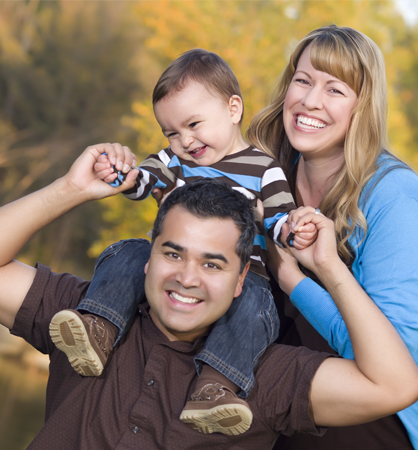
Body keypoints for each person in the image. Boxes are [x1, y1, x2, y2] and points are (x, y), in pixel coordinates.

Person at [0, 144, 418, 449]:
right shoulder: (87, 321)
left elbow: (395, 386)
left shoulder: (265, 376)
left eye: (213, 264)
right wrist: (70, 189)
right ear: (148, 257)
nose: (187, 277)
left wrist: (328, 268)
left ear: (241, 283)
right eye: (173, 253)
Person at [47, 49, 316, 435]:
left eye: (193, 124)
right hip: (172, 267)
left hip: (244, 276)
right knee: (129, 252)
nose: (185, 141)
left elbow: (279, 224)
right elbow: (142, 182)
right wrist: (120, 173)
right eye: (171, 132)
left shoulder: (264, 169)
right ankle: (98, 327)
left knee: (257, 307)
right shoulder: (174, 163)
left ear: (233, 109)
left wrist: (291, 229)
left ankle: (215, 388)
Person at [243, 25, 418, 449]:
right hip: (279, 381)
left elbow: (383, 358)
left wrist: (297, 280)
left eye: (335, 90)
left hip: (380, 411)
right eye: (302, 81)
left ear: (362, 108)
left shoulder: (392, 195)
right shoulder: (265, 176)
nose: (310, 100)